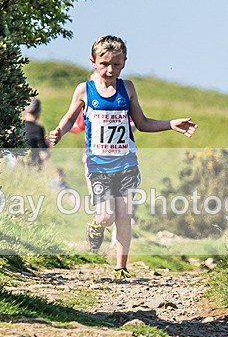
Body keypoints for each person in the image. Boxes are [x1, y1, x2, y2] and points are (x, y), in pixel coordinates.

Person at [49, 35, 197, 279]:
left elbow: (142, 122)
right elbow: (68, 118)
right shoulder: (84, 90)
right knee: (106, 216)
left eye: (116, 65)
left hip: (126, 162)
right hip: (98, 165)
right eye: (105, 64)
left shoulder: (127, 89)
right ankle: (95, 225)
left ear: (124, 63)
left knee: (125, 215)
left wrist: (171, 124)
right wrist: (59, 132)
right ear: (93, 62)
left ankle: (121, 267)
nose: (110, 70)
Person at [22, 97, 49, 168]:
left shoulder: (16, 127)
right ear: (38, 111)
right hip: (34, 167)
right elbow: (44, 155)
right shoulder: (38, 129)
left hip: (17, 168)